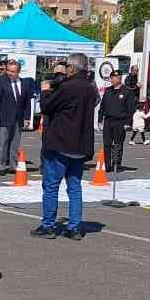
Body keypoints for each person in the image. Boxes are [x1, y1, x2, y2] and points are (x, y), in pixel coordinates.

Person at [34, 52, 98, 240]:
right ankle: (74, 227)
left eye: (67, 68)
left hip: (61, 142)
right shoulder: (91, 88)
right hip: (80, 145)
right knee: (74, 187)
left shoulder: (68, 87)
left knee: (51, 185)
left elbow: (47, 106)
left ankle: (48, 225)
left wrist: (46, 90)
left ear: (72, 68)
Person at [0, 59, 30, 175]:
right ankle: (1, 166)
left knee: (15, 143)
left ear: (18, 72)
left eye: (13, 71)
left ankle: (13, 165)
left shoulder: (24, 83)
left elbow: (27, 103)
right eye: (8, 71)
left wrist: (27, 118)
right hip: (4, 117)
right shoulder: (2, 81)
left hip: (18, 118)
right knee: (3, 142)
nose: (10, 73)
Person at [98, 71, 136, 172]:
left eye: (113, 78)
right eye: (111, 78)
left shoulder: (127, 92)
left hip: (120, 121)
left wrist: (128, 123)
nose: (111, 80)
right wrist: (100, 119)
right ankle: (107, 165)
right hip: (108, 121)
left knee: (118, 144)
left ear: (119, 78)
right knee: (107, 143)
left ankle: (116, 164)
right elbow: (102, 106)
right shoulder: (108, 91)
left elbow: (130, 109)